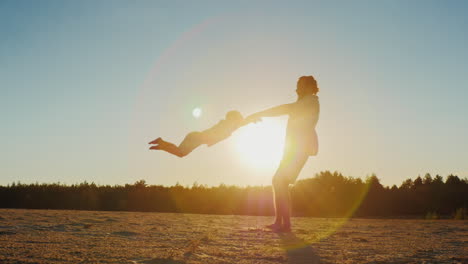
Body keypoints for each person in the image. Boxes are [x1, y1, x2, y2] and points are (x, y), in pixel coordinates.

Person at [245, 76, 320, 232]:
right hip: (293, 149)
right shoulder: (303, 102)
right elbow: (286, 109)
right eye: (297, 85)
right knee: (279, 181)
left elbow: (284, 108)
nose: (296, 89)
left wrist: (258, 113)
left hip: (300, 148)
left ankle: (284, 224)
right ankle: (281, 222)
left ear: (309, 87)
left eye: (300, 85)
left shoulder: (311, 101)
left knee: (280, 181)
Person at [149, 110, 250, 157]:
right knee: (181, 153)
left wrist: (250, 120)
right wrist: (251, 119)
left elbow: (240, 124)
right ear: (233, 118)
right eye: (239, 116)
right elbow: (241, 123)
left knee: (180, 152)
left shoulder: (230, 126)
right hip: (197, 137)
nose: (241, 118)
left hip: (196, 137)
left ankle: (161, 143)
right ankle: (162, 144)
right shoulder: (227, 124)